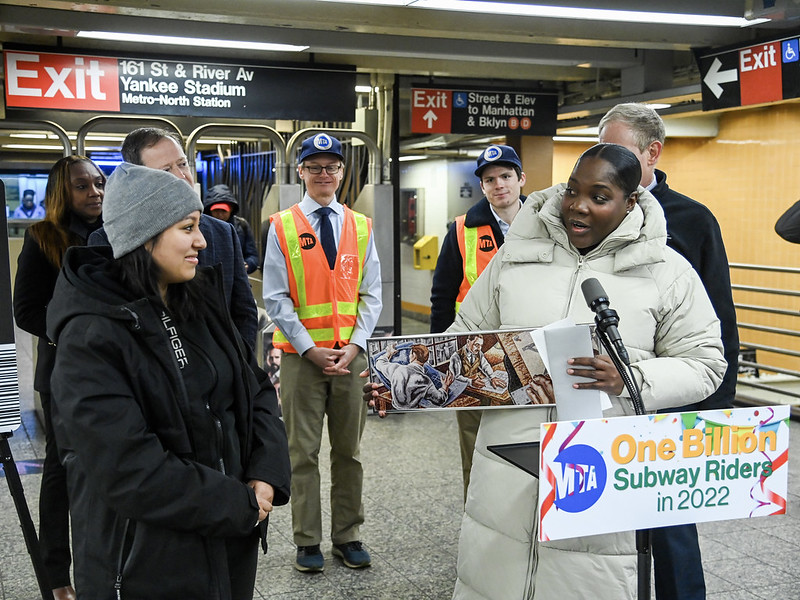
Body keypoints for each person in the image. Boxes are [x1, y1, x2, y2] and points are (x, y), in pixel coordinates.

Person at [367, 143, 726, 599]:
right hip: (507, 474)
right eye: (573, 191)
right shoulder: (514, 259)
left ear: (630, 202)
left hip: (596, 476)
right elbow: (463, 340)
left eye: (599, 197)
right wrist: (396, 382)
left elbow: (706, 362)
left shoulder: (667, 273)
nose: (578, 205)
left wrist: (630, 377)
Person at [46, 163, 291, 599]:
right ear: (145, 234)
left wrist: (266, 474)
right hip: (148, 562)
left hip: (228, 545)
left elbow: (253, 389)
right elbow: (128, 467)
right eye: (187, 228)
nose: (201, 240)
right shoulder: (91, 334)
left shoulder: (198, 299)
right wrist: (238, 504)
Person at [598, 102, 739, 600]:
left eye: (618, 150)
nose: (606, 161)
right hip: (601, 394)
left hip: (671, 395)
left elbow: (719, 316)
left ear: (652, 152)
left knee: (671, 525)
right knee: (602, 526)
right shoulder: (588, 213)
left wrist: (715, 407)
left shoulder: (692, 219)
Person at [263, 132, 382, 573]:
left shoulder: (361, 226)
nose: (323, 174)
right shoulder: (282, 225)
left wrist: (355, 345)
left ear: (342, 173)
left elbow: (372, 295)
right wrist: (310, 349)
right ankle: (307, 541)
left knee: (348, 452)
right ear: (301, 173)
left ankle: (348, 535)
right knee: (302, 453)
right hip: (302, 359)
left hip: (351, 358)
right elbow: (275, 297)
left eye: (331, 167)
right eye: (314, 167)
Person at [13, 156, 105, 600]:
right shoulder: (42, 237)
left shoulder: (116, 233)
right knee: (61, 471)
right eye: (81, 185)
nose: (94, 192)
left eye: (99, 182)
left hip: (115, 373)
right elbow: (26, 309)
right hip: (65, 374)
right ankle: (57, 576)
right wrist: (73, 332)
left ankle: (108, 563)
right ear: (60, 192)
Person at [89, 127, 259, 348]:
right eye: (166, 169)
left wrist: (241, 369)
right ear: (139, 180)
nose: (181, 176)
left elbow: (243, 310)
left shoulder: (222, 232)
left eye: (182, 164)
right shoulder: (109, 241)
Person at [430, 144, 526, 497]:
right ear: (482, 187)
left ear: (520, 179)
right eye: (490, 179)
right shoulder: (460, 231)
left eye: (505, 176)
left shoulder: (550, 224)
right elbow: (442, 298)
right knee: (474, 441)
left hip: (530, 352)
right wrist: (441, 358)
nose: (499, 184)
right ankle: (478, 512)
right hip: (475, 355)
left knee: (528, 438)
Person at [374, 343, 454, 409]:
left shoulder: (397, 369)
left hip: (396, 407)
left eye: (410, 354)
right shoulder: (425, 380)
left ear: (414, 356)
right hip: (413, 410)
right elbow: (439, 399)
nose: (409, 356)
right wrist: (445, 386)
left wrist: (389, 353)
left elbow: (379, 363)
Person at [204, 184, 260, 274]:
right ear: (209, 210)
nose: (220, 215)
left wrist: (247, 265)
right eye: (216, 210)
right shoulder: (203, 228)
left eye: (223, 211)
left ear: (231, 209)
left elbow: (253, 255)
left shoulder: (241, 225)